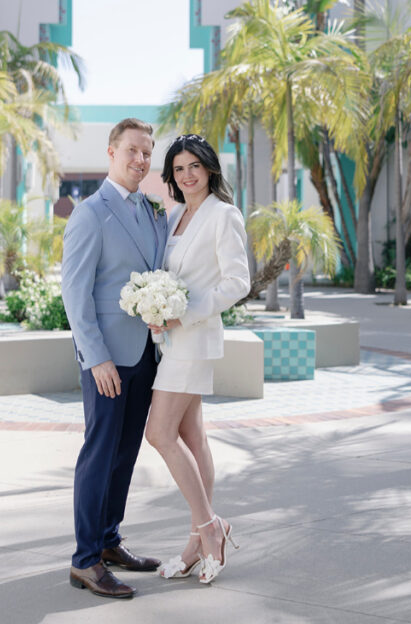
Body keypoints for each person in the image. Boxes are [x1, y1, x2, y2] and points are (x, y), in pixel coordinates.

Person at [61, 117, 169, 599]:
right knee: (99, 454)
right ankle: (85, 560)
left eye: (147, 152)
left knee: (125, 454)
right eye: (132, 150)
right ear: (111, 152)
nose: (141, 160)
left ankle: (108, 542)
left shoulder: (151, 211)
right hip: (107, 360)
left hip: (144, 353)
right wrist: (95, 357)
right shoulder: (90, 212)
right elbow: (75, 293)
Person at [145, 133, 250, 585]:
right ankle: (195, 541)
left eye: (195, 166)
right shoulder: (173, 218)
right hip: (173, 341)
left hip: (196, 338)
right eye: (179, 168)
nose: (187, 175)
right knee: (191, 435)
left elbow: (237, 282)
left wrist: (182, 313)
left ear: (209, 169)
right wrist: (155, 310)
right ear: (171, 176)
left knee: (160, 433)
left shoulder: (224, 215)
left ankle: (211, 528)